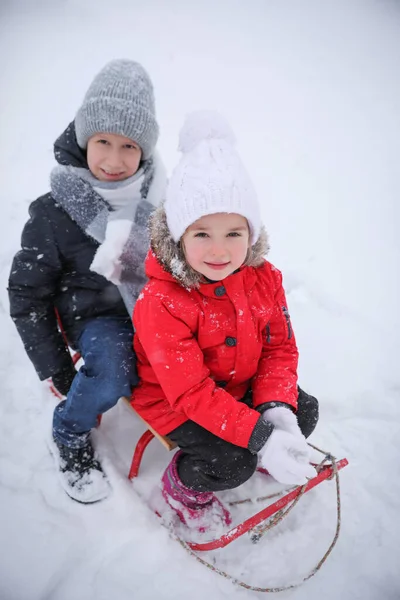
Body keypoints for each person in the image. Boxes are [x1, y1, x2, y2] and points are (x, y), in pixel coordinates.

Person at [132, 110, 319, 529]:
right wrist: (257, 438)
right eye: (202, 234)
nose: (220, 251)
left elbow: (278, 348)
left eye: (233, 233)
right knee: (232, 463)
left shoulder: (263, 278)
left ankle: (266, 448)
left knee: (302, 413)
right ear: (179, 235)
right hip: (174, 399)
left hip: (237, 382)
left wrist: (274, 408)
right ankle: (182, 490)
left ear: (251, 234)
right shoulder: (161, 300)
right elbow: (191, 392)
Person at [8, 59, 166, 504]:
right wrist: (57, 367)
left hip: (156, 306)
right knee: (113, 371)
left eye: (129, 147)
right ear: (84, 138)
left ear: (145, 151)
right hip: (96, 314)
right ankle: (70, 431)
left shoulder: (161, 198)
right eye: (103, 142)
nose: (114, 161)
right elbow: (27, 294)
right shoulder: (54, 210)